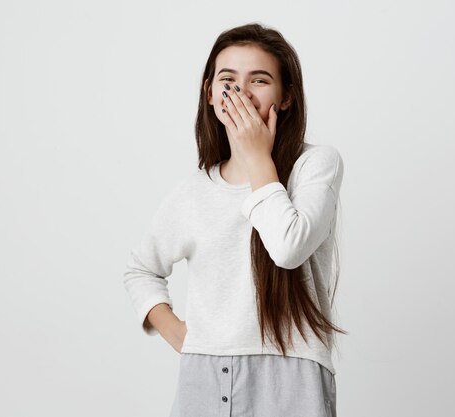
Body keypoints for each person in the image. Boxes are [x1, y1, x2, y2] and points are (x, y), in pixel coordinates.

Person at [122, 22, 345, 417]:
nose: (240, 92)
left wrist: (257, 158)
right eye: (228, 80)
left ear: (287, 97)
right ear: (210, 93)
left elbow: (289, 248)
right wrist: (183, 337)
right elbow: (141, 270)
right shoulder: (193, 191)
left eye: (259, 80)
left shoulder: (315, 165)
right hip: (203, 376)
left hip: (291, 376)